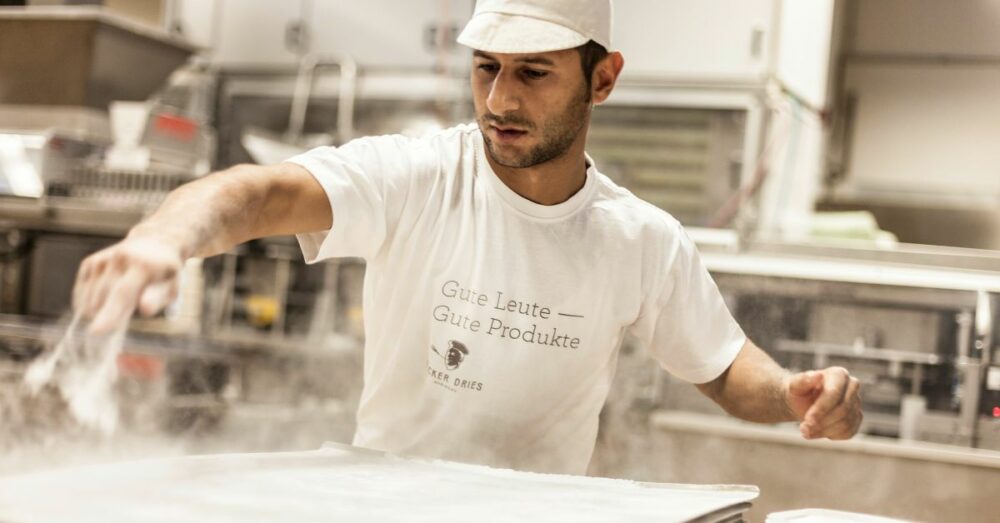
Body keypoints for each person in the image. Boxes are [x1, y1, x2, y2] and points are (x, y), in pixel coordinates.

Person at [73, 0, 862, 475]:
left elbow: (726, 369)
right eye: (486, 68)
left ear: (604, 77)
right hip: (387, 508)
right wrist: (161, 238)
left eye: (534, 72)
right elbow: (260, 192)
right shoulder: (418, 177)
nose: (499, 98)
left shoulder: (641, 240)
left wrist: (794, 393)